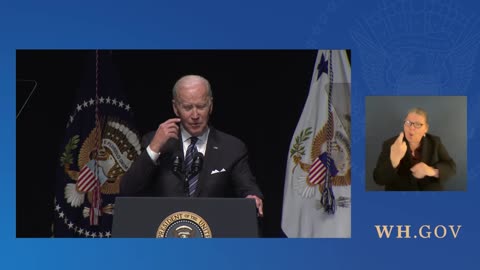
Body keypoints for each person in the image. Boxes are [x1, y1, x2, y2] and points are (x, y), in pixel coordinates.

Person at [120, 75, 264, 216]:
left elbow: (248, 187)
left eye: (201, 106)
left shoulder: (232, 147)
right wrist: (154, 148)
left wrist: (252, 197)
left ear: (211, 105)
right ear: (176, 108)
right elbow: (128, 189)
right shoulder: (155, 141)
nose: (195, 115)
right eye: (187, 107)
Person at [373, 108, 456, 191]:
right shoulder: (390, 144)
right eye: (408, 123)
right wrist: (394, 160)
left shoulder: (435, 142)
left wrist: (431, 171)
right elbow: (379, 179)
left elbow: (451, 166)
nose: (411, 128)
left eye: (418, 124)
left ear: (426, 128)